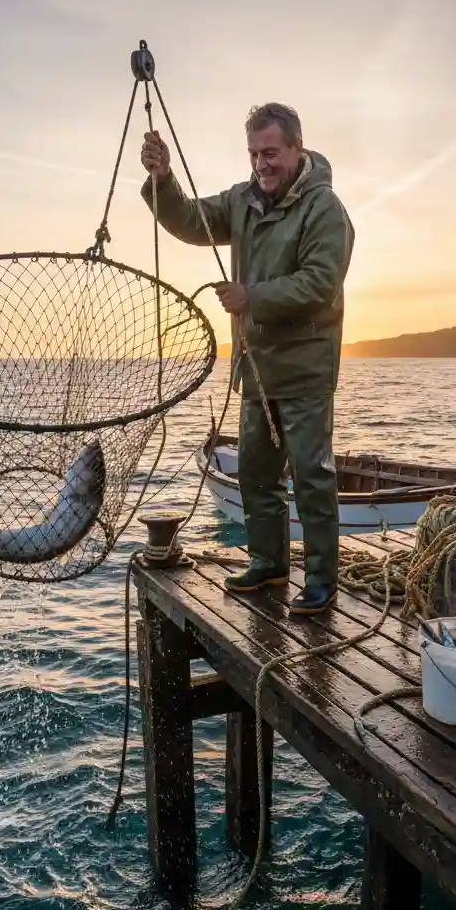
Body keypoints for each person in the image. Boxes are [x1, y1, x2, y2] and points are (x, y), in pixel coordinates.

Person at [139, 102, 354, 615]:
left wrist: (250, 297)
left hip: (305, 370)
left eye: (272, 153)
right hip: (256, 369)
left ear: (297, 148)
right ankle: (269, 563)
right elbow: (190, 221)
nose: (262, 164)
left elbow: (321, 282)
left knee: (311, 477)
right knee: (256, 474)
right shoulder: (241, 201)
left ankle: (322, 580)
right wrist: (163, 179)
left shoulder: (325, 208)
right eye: (255, 154)